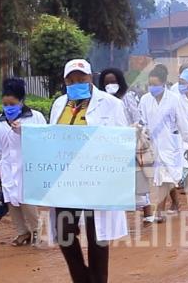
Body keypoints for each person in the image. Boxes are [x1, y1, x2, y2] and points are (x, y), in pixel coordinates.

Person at [49, 59, 128, 283]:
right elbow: (49, 140)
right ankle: (81, 278)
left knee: (97, 237)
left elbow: (121, 140)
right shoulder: (59, 104)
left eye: (81, 79)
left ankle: (98, 280)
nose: (76, 83)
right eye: (71, 80)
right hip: (67, 180)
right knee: (64, 232)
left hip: (98, 179)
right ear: (65, 81)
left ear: (90, 78)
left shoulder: (111, 104)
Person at [0, 78, 46, 246]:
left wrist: (24, 132)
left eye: (12, 103)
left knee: (27, 201)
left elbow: (44, 140)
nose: (8, 108)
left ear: (21, 102)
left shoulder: (35, 117)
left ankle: (37, 231)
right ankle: (22, 232)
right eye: (5, 104)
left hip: (28, 166)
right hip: (7, 166)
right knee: (11, 200)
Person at [139, 64, 188, 218]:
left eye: (155, 85)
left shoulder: (173, 99)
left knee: (165, 178)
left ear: (163, 84)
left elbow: (182, 122)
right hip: (153, 145)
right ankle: (176, 203)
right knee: (165, 177)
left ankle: (159, 211)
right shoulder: (145, 100)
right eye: (150, 84)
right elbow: (142, 121)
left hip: (171, 145)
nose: (152, 87)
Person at [97, 68, 154, 222]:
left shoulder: (127, 97)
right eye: (107, 82)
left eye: (113, 82)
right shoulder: (99, 101)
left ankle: (147, 213)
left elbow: (137, 119)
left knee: (137, 179)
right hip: (109, 147)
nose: (110, 85)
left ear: (120, 82)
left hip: (129, 143)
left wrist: (130, 132)